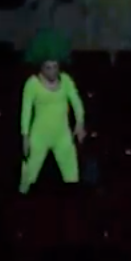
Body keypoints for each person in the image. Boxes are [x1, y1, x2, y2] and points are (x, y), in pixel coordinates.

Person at [19, 30, 88, 193]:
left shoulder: (66, 81)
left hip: (62, 135)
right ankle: (21, 198)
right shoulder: (32, 84)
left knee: (72, 175)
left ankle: (73, 204)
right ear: (41, 67)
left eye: (55, 67)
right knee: (29, 176)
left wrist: (80, 123)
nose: (52, 71)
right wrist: (25, 136)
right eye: (48, 67)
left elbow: (77, 103)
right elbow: (26, 111)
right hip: (39, 137)